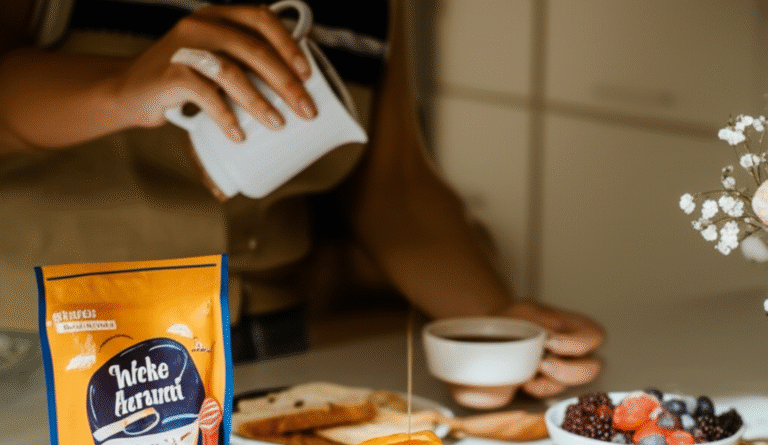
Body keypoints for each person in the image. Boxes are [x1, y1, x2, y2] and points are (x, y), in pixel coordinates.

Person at [0, 0, 603, 400]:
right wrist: (119, 86)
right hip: (52, 349)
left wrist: (495, 320)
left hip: (265, 353)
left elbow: (392, 189)